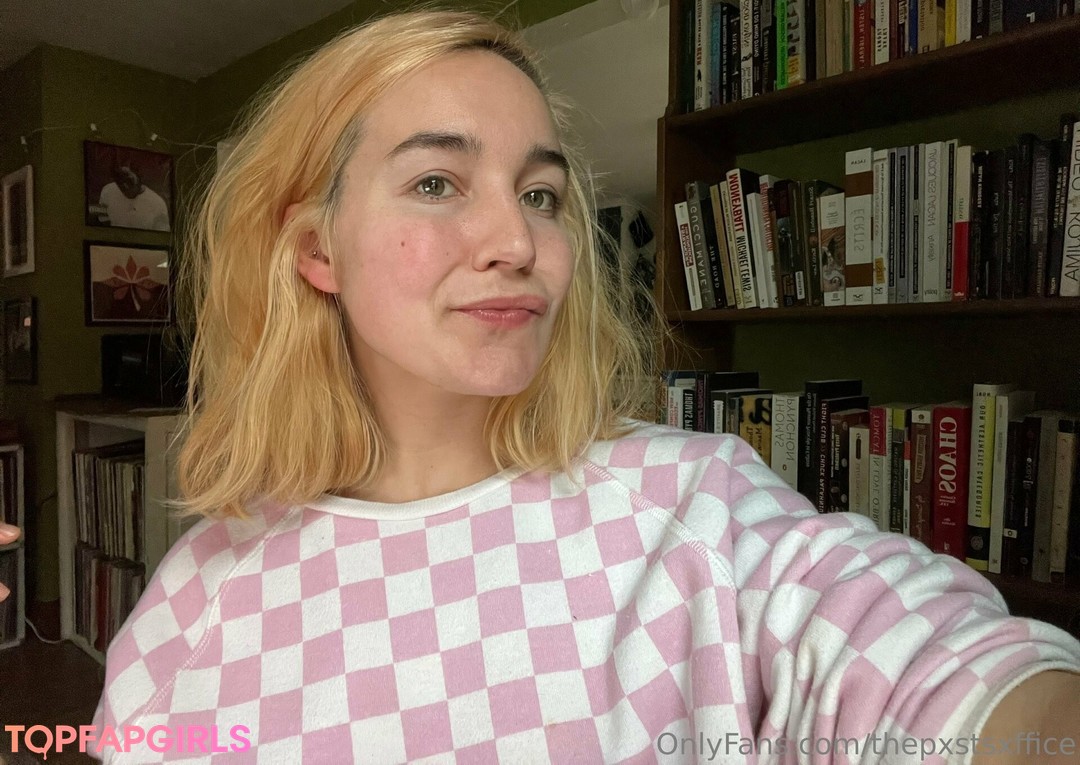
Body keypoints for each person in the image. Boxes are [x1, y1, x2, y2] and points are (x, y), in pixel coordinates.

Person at [18, 8, 1072, 763]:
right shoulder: (194, 603)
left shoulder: (696, 509)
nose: (518, 242)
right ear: (316, 249)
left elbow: (930, 662)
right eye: (437, 181)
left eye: (540, 194)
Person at [96, 164, 171, 231]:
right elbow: (102, 221)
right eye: (120, 180)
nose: (125, 186)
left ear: (139, 177)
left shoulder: (158, 204)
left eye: (130, 181)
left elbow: (161, 238)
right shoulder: (107, 191)